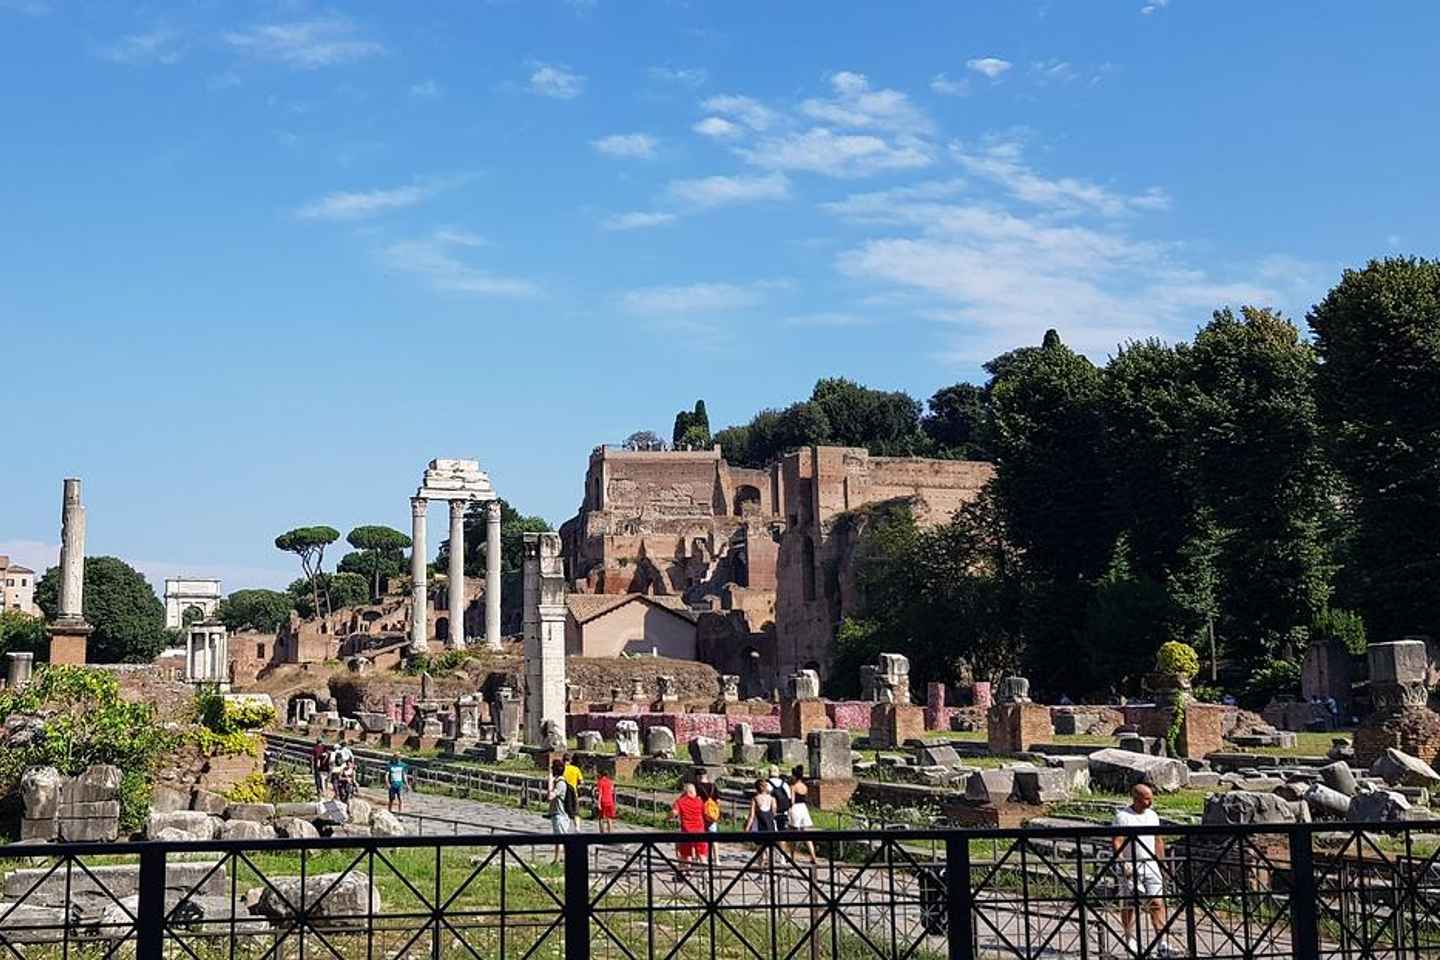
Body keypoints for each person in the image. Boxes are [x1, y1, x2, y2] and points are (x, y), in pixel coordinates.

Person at [1112, 784, 1172, 957]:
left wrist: (1162, 863)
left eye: (1151, 798)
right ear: (1136, 798)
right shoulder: (1123, 817)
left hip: (1151, 865)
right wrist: (1122, 862)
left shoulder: (1153, 815)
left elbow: (1157, 839)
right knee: (1129, 903)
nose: (1150, 802)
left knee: (1157, 902)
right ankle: (1129, 938)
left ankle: (1162, 941)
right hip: (1131, 866)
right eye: (1147, 799)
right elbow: (1117, 841)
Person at [670, 782, 708, 872]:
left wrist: (668, 817)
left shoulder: (680, 802)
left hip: (686, 831)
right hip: (700, 831)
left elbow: (674, 812)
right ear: (691, 792)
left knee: (686, 854)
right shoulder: (699, 801)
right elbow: (705, 814)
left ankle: (686, 873)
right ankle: (706, 874)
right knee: (702, 855)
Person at [547, 758, 578, 863]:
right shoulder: (559, 782)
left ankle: (570, 859)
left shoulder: (560, 783)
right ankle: (556, 860)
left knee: (562, 839)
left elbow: (550, 796)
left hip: (560, 815)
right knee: (559, 839)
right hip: (557, 814)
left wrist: (550, 782)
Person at [786, 765, 817, 864]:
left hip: (795, 808)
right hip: (804, 808)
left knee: (792, 834)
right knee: (806, 834)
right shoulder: (804, 786)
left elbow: (792, 801)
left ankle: (792, 856)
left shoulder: (793, 786)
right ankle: (813, 855)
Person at [694, 769, 721, 834]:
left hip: (701, 814)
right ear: (706, 775)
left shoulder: (696, 786)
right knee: (713, 836)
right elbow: (718, 801)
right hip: (711, 814)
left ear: (698, 777)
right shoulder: (713, 786)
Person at [766, 766, 792, 830]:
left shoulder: (766, 784)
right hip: (784, 811)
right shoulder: (784, 784)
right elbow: (789, 798)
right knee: (783, 832)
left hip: (771, 812)